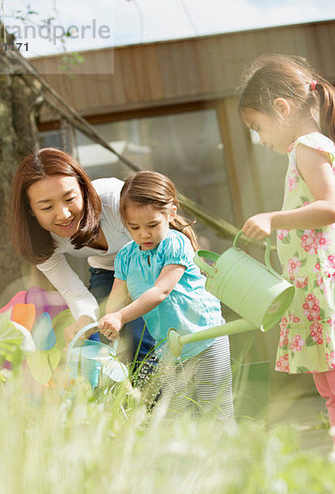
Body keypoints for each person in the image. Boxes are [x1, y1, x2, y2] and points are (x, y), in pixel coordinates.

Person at [238, 54, 335, 429]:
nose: (260, 140)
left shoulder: (309, 145)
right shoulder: (303, 149)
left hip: (329, 287)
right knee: (330, 386)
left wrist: (273, 219)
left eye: (257, 127)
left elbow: (331, 208)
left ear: (282, 107)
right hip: (314, 289)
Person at [98, 170, 234, 421]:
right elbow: (116, 300)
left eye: (152, 225)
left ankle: (232, 459)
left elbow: (160, 291)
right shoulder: (126, 257)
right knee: (177, 417)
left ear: (171, 212)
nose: (143, 234)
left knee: (216, 414)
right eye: (134, 227)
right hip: (171, 350)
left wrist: (121, 316)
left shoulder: (175, 243)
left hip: (206, 339)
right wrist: (109, 321)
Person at [8, 147, 155, 361]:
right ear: (30, 209)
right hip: (107, 270)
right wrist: (85, 319)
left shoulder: (116, 200)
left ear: (83, 188)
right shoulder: (40, 241)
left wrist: (121, 308)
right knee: (91, 342)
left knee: (138, 337)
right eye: (47, 207)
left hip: (154, 263)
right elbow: (75, 293)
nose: (64, 215)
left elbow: (154, 255)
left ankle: (160, 388)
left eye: (70, 199)